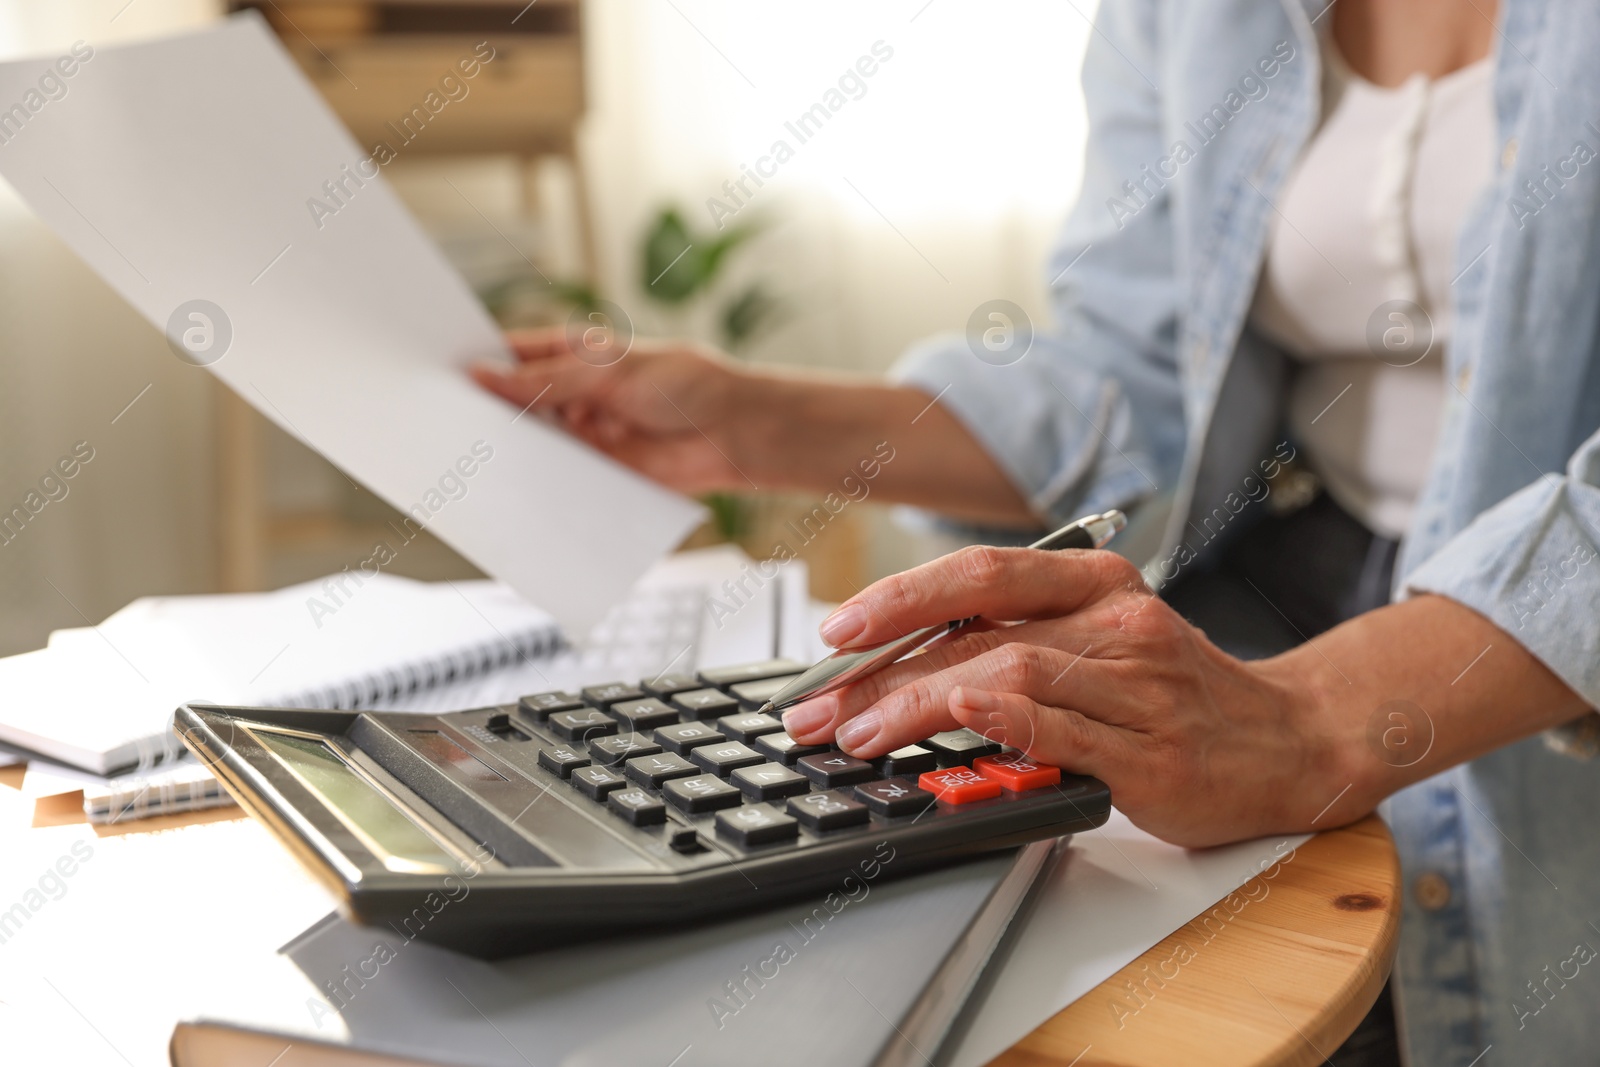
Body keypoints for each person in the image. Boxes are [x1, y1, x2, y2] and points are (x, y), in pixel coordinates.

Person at [473, 1, 1600, 1061]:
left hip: (1521, 676)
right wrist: (754, 421)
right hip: (1285, 580)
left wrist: (1308, 721)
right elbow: (1136, 375)